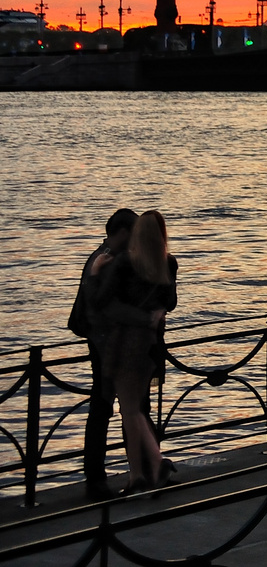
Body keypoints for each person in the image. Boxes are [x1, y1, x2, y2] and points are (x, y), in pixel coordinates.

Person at [92, 209, 178, 491]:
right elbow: (171, 301)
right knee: (136, 406)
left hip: (125, 342)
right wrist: (156, 313)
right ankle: (143, 473)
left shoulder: (126, 263)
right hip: (152, 344)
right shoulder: (169, 263)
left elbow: (102, 301)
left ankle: (149, 467)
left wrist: (95, 273)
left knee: (131, 410)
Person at [69, 208, 141, 500]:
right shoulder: (106, 261)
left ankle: (113, 475)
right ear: (123, 232)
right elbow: (99, 306)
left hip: (105, 342)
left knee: (110, 409)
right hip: (107, 344)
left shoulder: (101, 257)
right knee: (107, 408)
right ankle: (101, 478)